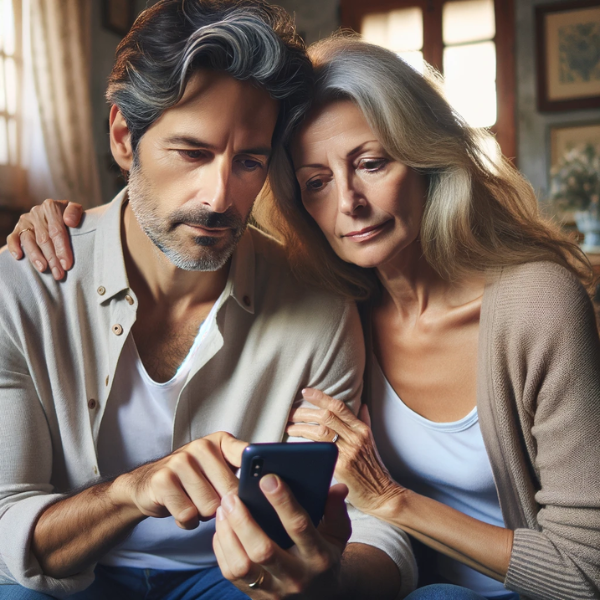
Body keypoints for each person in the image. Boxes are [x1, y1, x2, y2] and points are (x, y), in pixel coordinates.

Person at [18, 34, 600, 600]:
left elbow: (585, 572)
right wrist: (60, 224)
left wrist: (390, 500)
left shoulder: (532, 303)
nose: (349, 204)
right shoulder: (339, 297)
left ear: (426, 159)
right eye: (317, 182)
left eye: (372, 163)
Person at [0, 9, 419, 600]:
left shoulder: (321, 310)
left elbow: (357, 513)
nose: (220, 197)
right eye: (192, 153)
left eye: (249, 161)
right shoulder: (23, 285)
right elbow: (7, 524)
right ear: (124, 137)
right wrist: (130, 492)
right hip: (67, 582)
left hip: (234, 585)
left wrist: (324, 575)